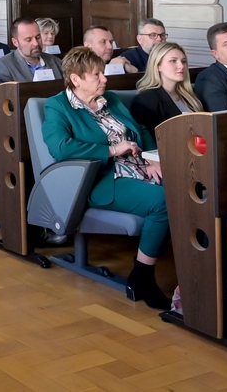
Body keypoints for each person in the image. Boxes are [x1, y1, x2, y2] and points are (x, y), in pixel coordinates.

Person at [43, 47, 171, 309]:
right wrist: (112, 150)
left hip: (138, 166)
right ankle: (142, 275)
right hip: (101, 178)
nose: (105, 78)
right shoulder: (57, 105)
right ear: (76, 79)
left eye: (103, 72)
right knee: (163, 200)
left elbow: (141, 129)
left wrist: (151, 157)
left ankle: (201, 274)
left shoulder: (109, 98)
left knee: (193, 190)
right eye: (97, 75)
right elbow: (61, 148)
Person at [129, 43, 204, 134]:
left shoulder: (189, 95)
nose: (181, 66)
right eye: (173, 61)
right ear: (158, 66)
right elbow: (150, 138)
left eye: (183, 61)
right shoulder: (146, 100)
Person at [0, 16, 64, 84]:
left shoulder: (56, 62)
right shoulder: (4, 65)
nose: (36, 43)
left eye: (38, 37)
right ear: (15, 42)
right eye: (28, 40)